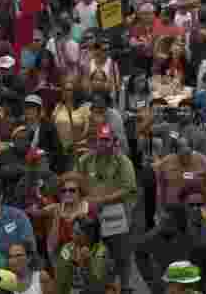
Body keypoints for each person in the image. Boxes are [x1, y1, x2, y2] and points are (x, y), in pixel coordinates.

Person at [74, 124, 137, 293]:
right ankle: (88, 284)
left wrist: (103, 200)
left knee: (120, 252)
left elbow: (128, 188)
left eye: (106, 140)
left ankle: (125, 286)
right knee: (86, 250)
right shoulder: (85, 160)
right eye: (99, 140)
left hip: (115, 211)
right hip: (90, 211)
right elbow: (75, 183)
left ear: (114, 141)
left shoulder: (123, 161)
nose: (102, 144)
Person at [53, 215, 109, 294]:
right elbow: (60, 279)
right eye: (73, 231)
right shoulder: (67, 248)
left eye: (77, 233)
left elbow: (97, 281)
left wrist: (87, 262)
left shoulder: (100, 250)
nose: (72, 236)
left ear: (89, 235)